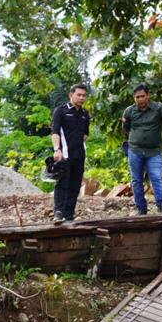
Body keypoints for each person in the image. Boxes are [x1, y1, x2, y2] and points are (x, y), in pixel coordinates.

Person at [122, 84, 162, 215]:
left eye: (142, 96)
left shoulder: (157, 107)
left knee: (157, 177)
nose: (140, 99)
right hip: (135, 150)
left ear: (148, 96)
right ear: (134, 98)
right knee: (136, 180)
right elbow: (126, 128)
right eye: (137, 97)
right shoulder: (129, 111)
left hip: (153, 151)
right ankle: (141, 208)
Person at [51, 84, 90, 223]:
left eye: (84, 95)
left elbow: (85, 135)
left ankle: (69, 215)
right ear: (71, 95)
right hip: (64, 155)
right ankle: (58, 213)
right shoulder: (60, 111)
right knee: (62, 184)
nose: (81, 98)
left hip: (79, 155)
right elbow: (55, 132)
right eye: (78, 95)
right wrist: (57, 149)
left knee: (75, 186)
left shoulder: (85, 114)